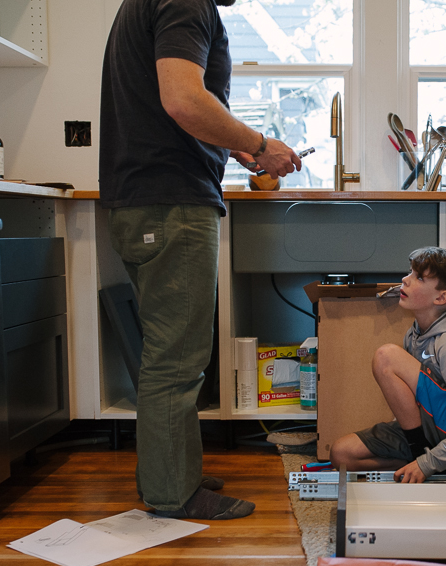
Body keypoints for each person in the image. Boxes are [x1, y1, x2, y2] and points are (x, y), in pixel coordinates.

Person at [99, 0, 301, 519]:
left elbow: (174, 103)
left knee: (168, 353)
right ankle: (173, 493)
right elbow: (184, 101)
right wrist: (259, 142)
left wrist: (234, 149)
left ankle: (170, 470)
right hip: (171, 202)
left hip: (146, 199)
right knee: (177, 358)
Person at [330, 247, 446, 483]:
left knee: (386, 356)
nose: (406, 279)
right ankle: (432, 461)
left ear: (441, 298)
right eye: (410, 272)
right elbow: (412, 396)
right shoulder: (414, 335)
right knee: (341, 454)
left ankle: (428, 459)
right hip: (428, 429)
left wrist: (427, 463)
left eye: (419, 277)